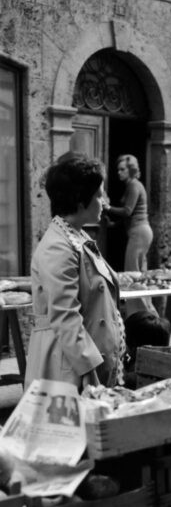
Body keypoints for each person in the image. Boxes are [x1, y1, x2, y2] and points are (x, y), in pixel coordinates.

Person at [25, 152, 125, 391]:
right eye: (100, 195)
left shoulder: (76, 236)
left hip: (84, 363)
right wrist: (89, 369)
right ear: (81, 200)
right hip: (69, 370)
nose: (105, 202)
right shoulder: (58, 246)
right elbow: (65, 316)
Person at [118, 310, 171, 507]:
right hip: (140, 438)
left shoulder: (142, 371)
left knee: (153, 486)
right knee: (137, 480)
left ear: (135, 343)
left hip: (154, 444)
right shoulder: (137, 361)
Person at [103, 154, 155, 315]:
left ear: (131, 170)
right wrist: (114, 224)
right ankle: (146, 316)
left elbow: (127, 211)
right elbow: (130, 215)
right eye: (118, 169)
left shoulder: (134, 185)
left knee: (132, 274)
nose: (119, 172)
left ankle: (140, 316)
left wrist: (107, 207)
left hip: (139, 232)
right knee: (139, 276)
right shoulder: (132, 185)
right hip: (139, 231)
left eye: (122, 169)